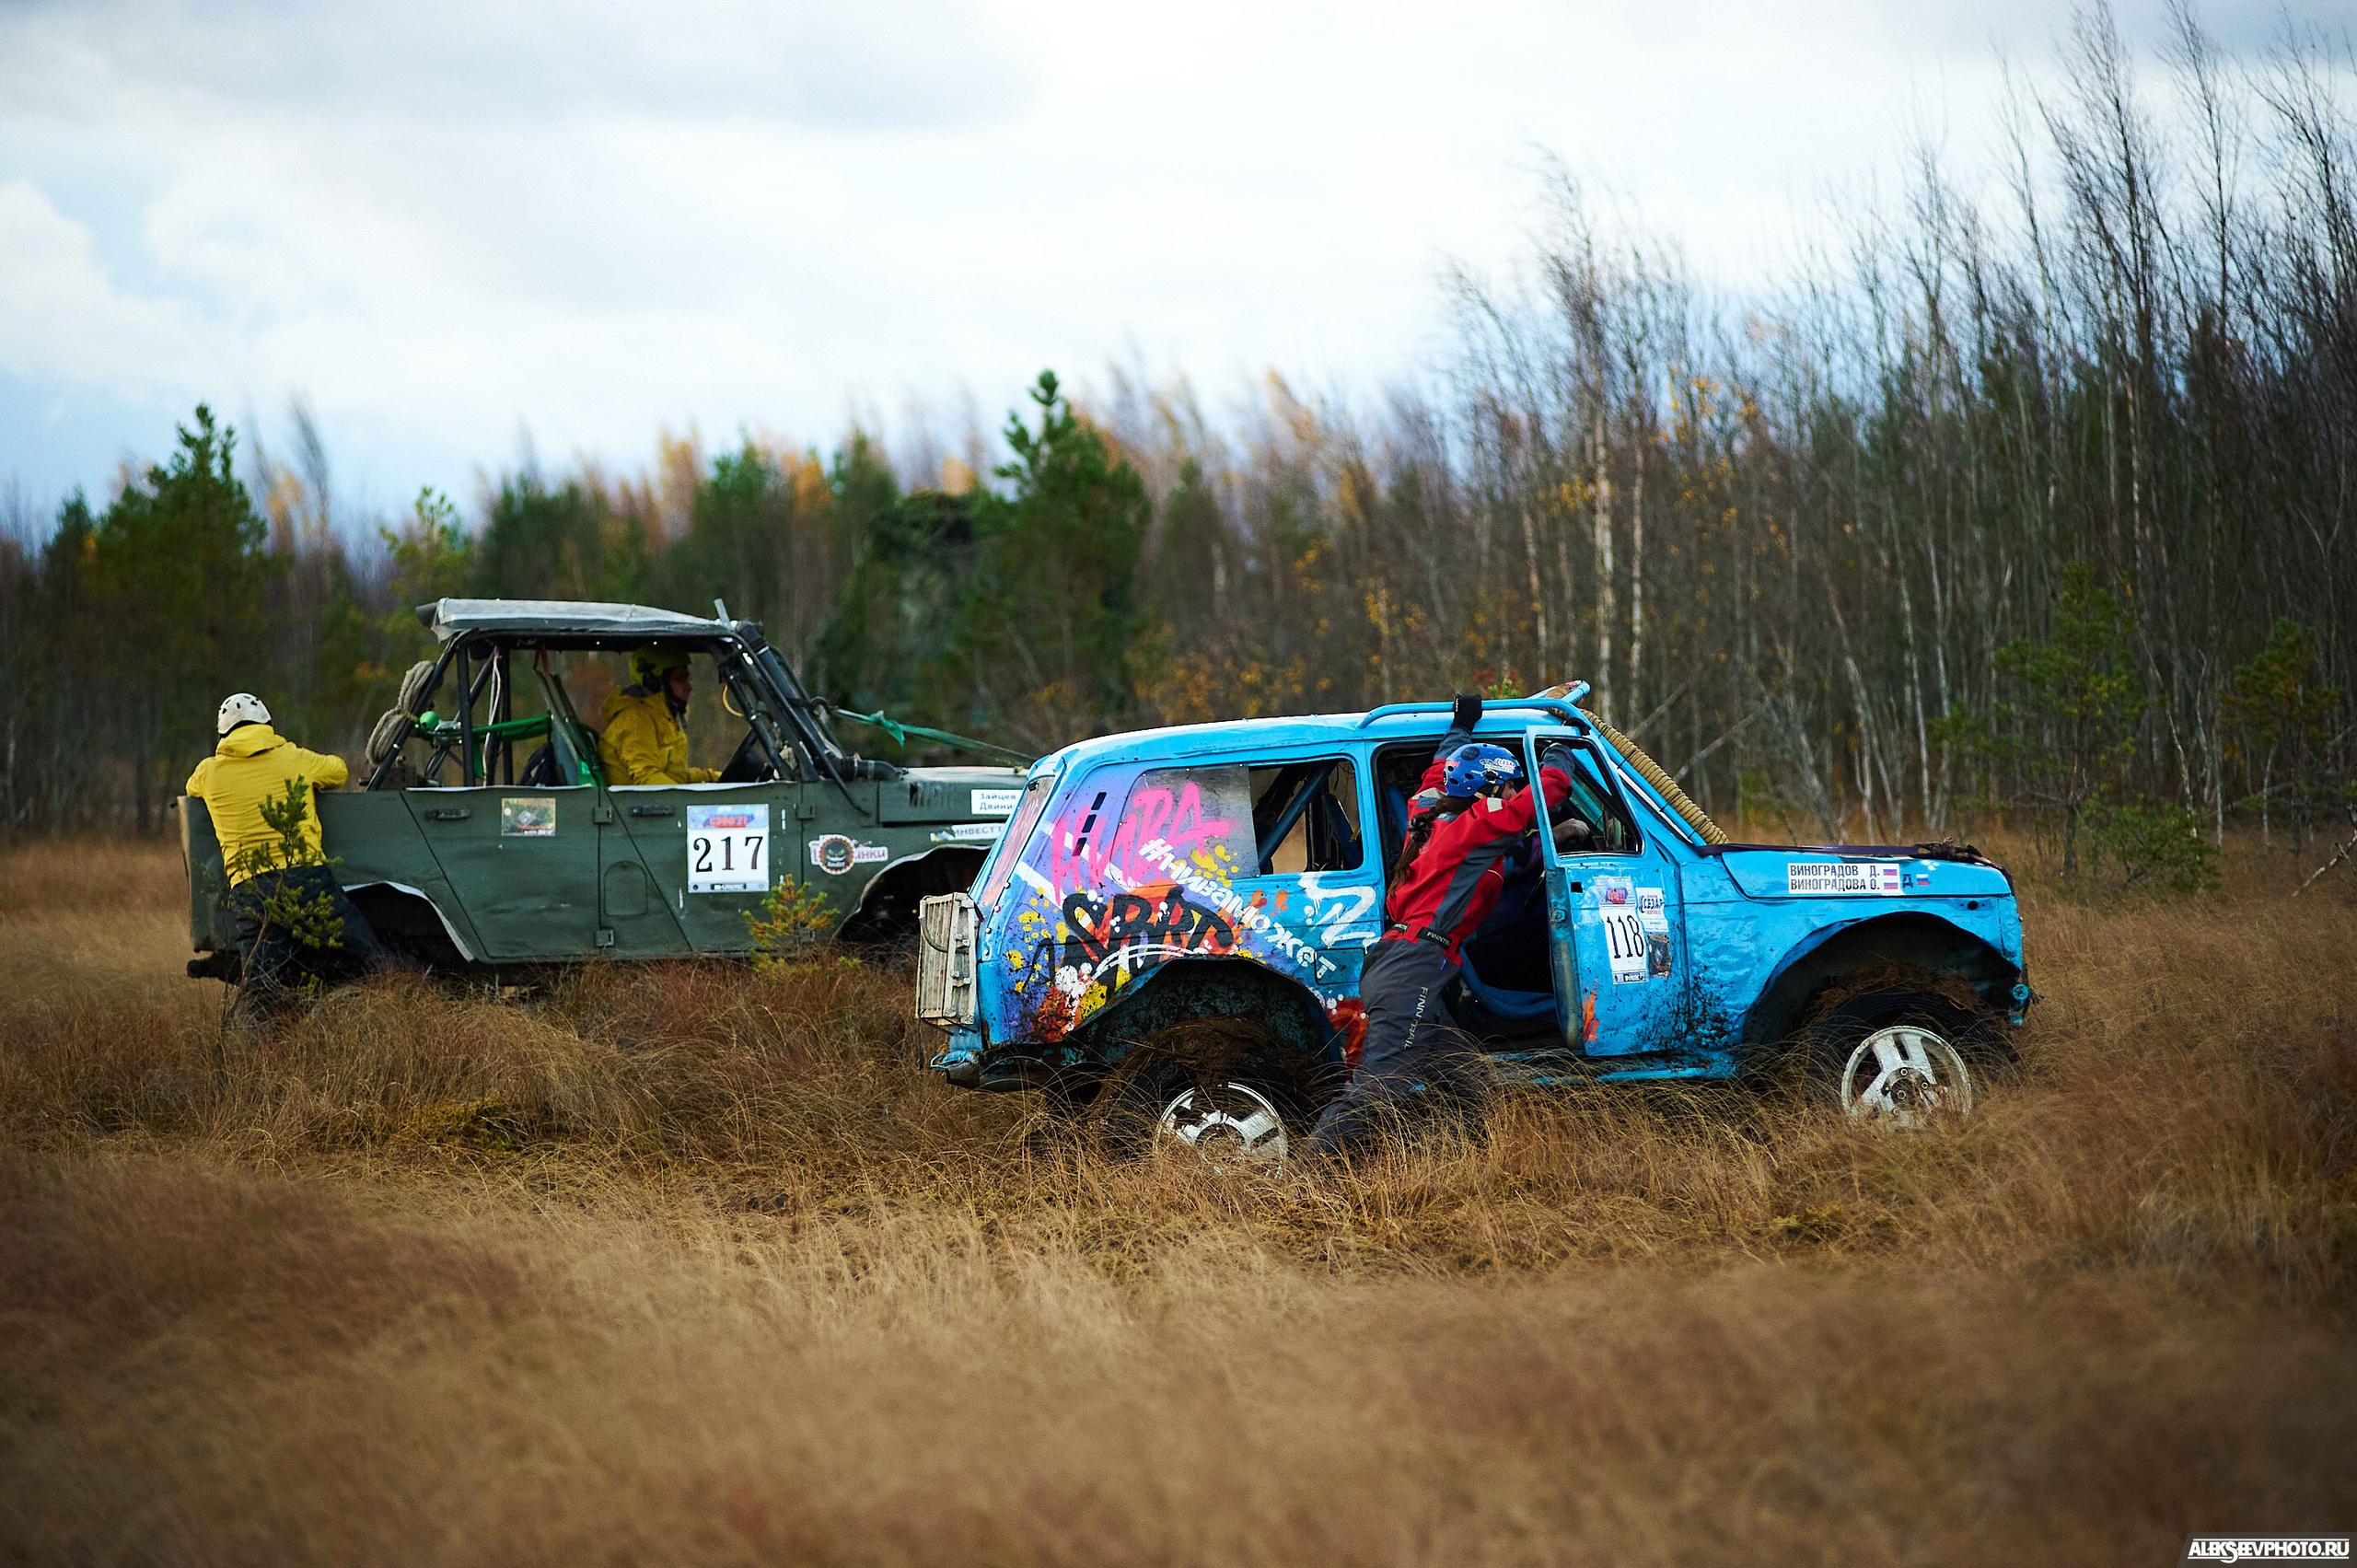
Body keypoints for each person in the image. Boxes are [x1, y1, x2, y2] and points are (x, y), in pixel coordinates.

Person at [1303, 691, 1579, 1157]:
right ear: (1488, 791)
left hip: (1403, 961)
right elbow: (1545, 795)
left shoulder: (1427, 812)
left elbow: (1439, 768)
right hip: (1414, 968)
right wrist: (1557, 747)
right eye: (1509, 785)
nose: (1513, 793)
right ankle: (1306, 1173)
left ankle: (1466, 1168)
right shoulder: (1475, 824)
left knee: (1471, 1088)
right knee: (1380, 1092)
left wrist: (1462, 725)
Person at [186, 691, 393, 1005]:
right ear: (267, 724)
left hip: (249, 889)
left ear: (223, 733)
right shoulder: (294, 758)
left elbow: (191, 790)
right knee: (366, 952)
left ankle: (255, 1046)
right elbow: (338, 771)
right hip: (303, 878)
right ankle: (407, 1000)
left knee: (263, 987)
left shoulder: (208, 772)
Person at [599, 646, 722, 786]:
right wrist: (688, 800)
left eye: (688, 679)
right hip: (633, 806)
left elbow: (677, 775)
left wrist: (717, 778)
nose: (689, 687)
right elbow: (647, 779)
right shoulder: (635, 720)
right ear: (654, 682)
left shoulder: (662, 717)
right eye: (679, 679)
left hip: (652, 805)